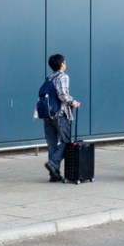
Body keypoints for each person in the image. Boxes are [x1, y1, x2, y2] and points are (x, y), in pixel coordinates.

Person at [43, 54, 80, 183]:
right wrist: (73, 102)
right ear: (62, 64)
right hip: (60, 115)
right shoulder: (63, 76)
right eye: (65, 62)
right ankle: (53, 163)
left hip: (48, 116)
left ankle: (54, 175)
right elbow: (63, 95)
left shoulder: (49, 78)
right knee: (65, 142)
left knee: (52, 145)